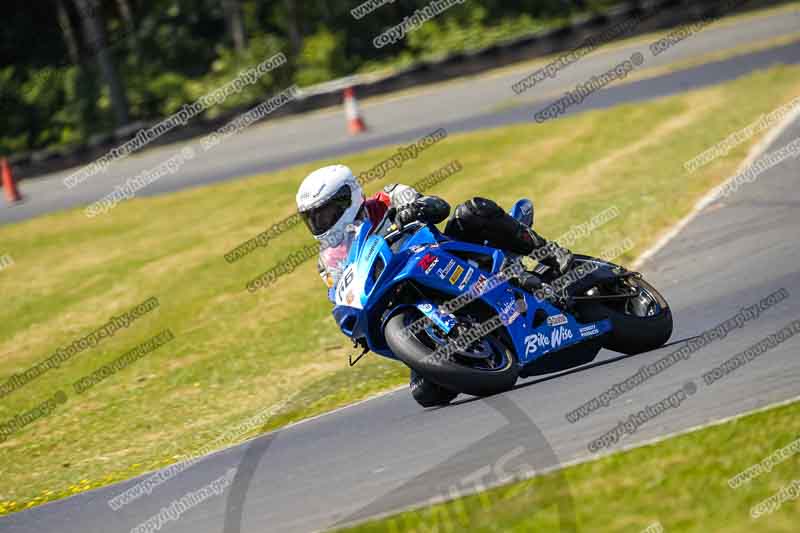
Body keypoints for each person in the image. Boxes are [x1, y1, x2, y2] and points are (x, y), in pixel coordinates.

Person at [295, 164, 572, 290]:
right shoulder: (328, 261)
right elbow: (342, 297)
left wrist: (415, 207)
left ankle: (549, 252)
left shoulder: (387, 198)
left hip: (446, 257)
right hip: (403, 288)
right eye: (314, 218)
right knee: (428, 396)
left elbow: (441, 207)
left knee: (472, 210)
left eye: (326, 213)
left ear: (347, 198)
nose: (321, 223)